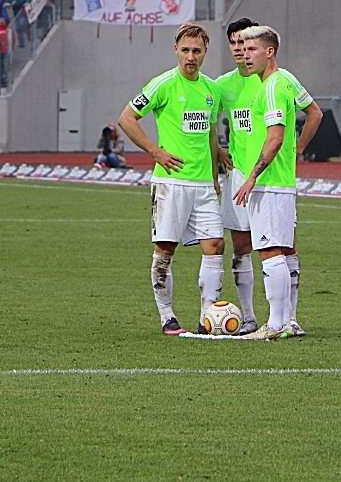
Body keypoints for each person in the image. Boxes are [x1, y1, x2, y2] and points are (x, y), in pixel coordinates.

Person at [117, 22, 226, 336]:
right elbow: (127, 118)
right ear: (176, 51)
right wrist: (155, 150)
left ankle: (208, 316)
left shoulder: (211, 90)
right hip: (171, 182)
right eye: (185, 50)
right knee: (165, 249)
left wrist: (216, 157)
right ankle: (167, 316)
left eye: (197, 51)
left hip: (204, 183)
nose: (191, 56)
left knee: (216, 244)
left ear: (205, 52)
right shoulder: (163, 84)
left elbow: (209, 129)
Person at [233, 25, 323, 339]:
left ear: (269, 51)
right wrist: (298, 150)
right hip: (281, 181)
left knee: (270, 252)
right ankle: (284, 322)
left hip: (268, 183)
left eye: (252, 49)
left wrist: (252, 176)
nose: (246, 56)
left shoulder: (271, 87)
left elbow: (274, 137)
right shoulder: (286, 79)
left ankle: (274, 323)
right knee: (281, 252)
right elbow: (315, 113)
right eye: (244, 50)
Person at [215, 17, 262, 335]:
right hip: (237, 177)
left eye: (244, 41)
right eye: (233, 42)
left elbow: (310, 111)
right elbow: (203, 119)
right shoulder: (223, 85)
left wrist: (297, 149)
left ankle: (289, 317)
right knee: (241, 246)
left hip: (272, 176)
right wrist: (218, 151)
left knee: (285, 247)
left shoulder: (272, 81)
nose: (239, 47)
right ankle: (249, 317)